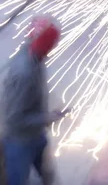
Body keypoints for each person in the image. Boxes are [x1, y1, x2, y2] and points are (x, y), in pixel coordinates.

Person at [1, 15, 69, 185]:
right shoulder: (23, 72)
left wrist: (47, 115)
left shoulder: (35, 56)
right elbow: (14, 119)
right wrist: (47, 117)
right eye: (52, 43)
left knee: (48, 175)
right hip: (20, 141)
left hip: (37, 135)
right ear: (46, 43)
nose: (54, 47)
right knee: (18, 180)